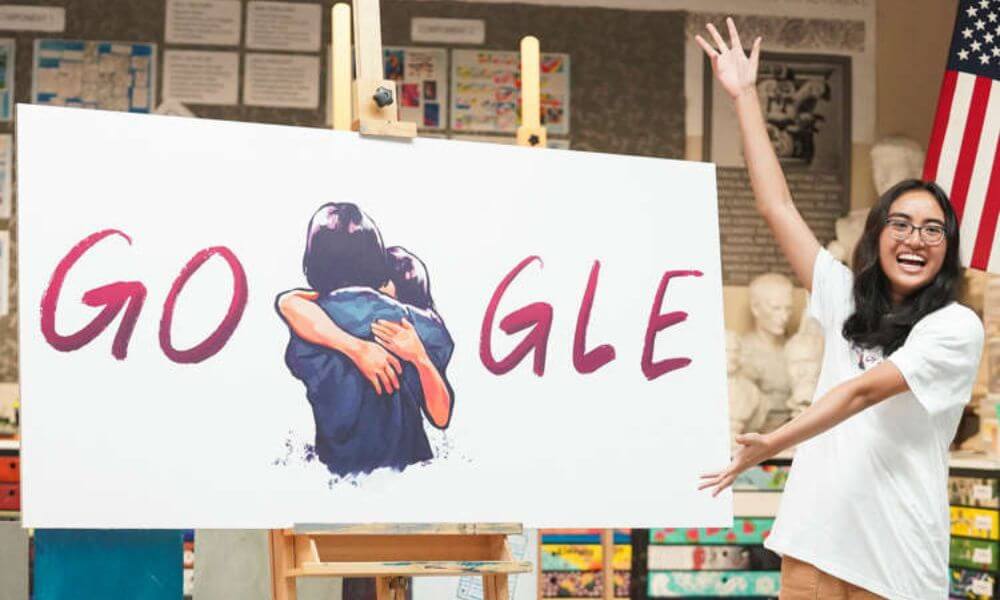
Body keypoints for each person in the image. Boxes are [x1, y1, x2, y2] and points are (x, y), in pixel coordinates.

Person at [696, 19, 984, 599]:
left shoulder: (955, 326)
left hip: (894, 564)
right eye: (900, 224)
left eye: (933, 230)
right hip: (812, 548)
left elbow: (862, 393)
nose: (915, 238)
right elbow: (777, 206)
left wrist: (774, 441)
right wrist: (744, 96)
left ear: (947, 249)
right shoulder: (843, 294)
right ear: (877, 235)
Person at [277, 203, 455, 477]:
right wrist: (419, 357)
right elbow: (441, 417)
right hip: (411, 472)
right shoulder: (411, 323)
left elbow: (288, 302)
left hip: (337, 476)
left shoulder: (309, 326)